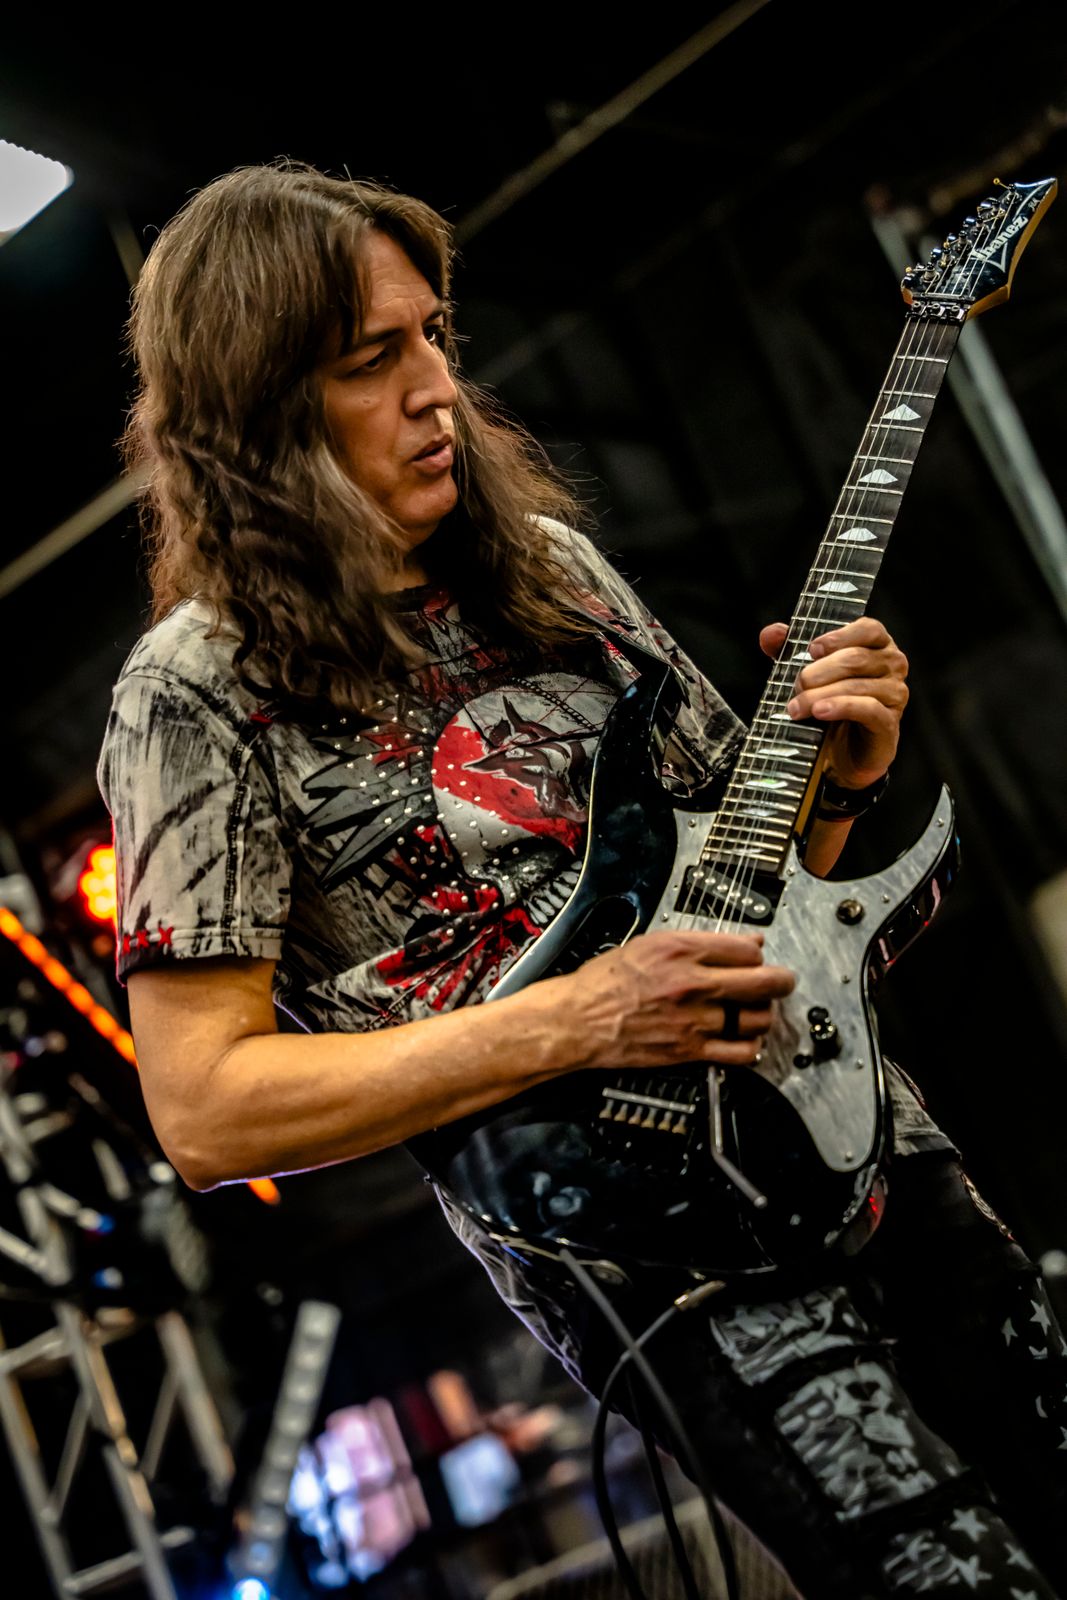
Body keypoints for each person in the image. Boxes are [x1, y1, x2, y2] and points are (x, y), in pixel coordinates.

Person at [97, 160, 1067, 1597]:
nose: (439, 388)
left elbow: (761, 895)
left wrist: (844, 782)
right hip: (646, 1247)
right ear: (258, 411)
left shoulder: (549, 567)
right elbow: (205, 1112)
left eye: (435, 336)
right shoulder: (190, 696)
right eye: (373, 359)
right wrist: (579, 1018)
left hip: (862, 1134)